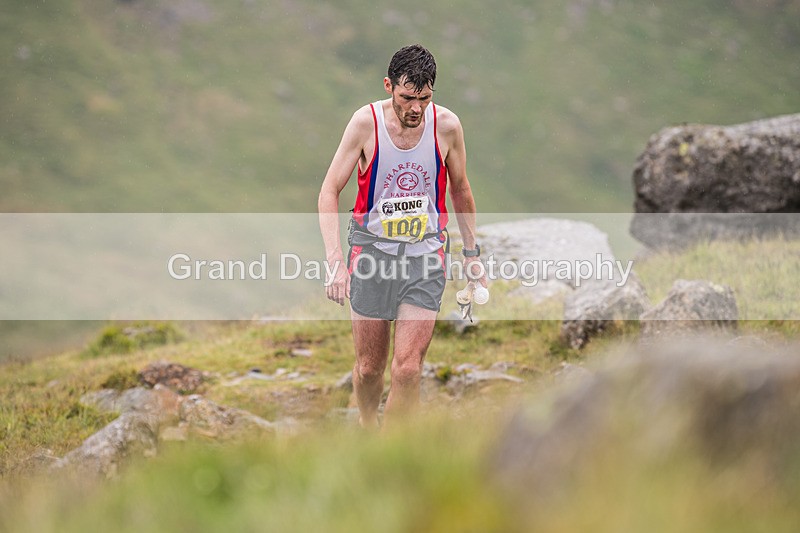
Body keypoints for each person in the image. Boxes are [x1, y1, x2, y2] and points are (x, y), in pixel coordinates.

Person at [318, 44, 485, 429]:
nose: (415, 108)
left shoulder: (447, 126)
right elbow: (329, 190)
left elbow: (461, 189)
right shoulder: (366, 123)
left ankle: (392, 448)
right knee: (369, 368)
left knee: (408, 369)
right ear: (388, 86)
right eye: (407, 98)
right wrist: (335, 263)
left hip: (425, 257)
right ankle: (367, 424)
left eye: (424, 99)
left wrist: (472, 254)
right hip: (372, 255)